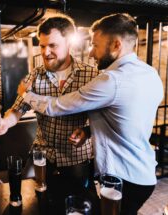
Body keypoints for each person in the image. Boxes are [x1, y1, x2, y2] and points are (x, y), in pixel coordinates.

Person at [19, 13, 163, 215]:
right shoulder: (151, 74)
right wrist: (88, 130)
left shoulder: (111, 81)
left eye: (95, 45)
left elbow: (58, 106)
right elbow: (124, 120)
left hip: (123, 176)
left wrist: (26, 94)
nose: (92, 53)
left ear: (116, 45)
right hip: (144, 173)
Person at [0, 14, 100, 213]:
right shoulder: (34, 76)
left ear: (69, 42)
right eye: (42, 46)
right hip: (42, 157)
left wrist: (87, 131)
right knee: (40, 206)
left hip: (77, 159)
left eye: (52, 45)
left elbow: (101, 118)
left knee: (78, 207)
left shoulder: (92, 75)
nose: (46, 52)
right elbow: (18, 109)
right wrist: (6, 122)